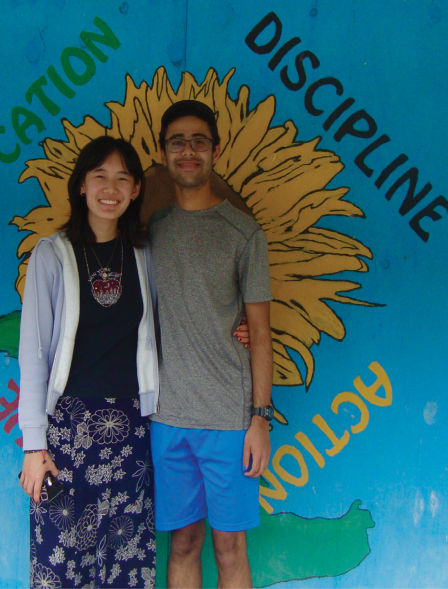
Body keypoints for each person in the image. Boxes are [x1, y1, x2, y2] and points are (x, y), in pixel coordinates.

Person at [17, 136, 250, 589]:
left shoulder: (145, 254)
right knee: (61, 557)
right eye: (99, 176)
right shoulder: (52, 254)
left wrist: (238, 326)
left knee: (126, 557)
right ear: (81, 185)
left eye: (123, 178)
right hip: (68, 429)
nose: (111, 187)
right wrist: (33, 446)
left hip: (133, 427)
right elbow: (34, 355)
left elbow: (182, 314)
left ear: (137, 190)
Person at [149, 100, 274, 589]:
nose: (188, 151)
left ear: (215, 151)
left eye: (198, 141)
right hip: (169, 418)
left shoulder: (244, 233)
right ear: (163, 154)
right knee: (182, 544)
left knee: (229, 548)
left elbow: (260, 331)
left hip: (228, 421)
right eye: (177, 141)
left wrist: (259, 419)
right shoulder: (153, 229)